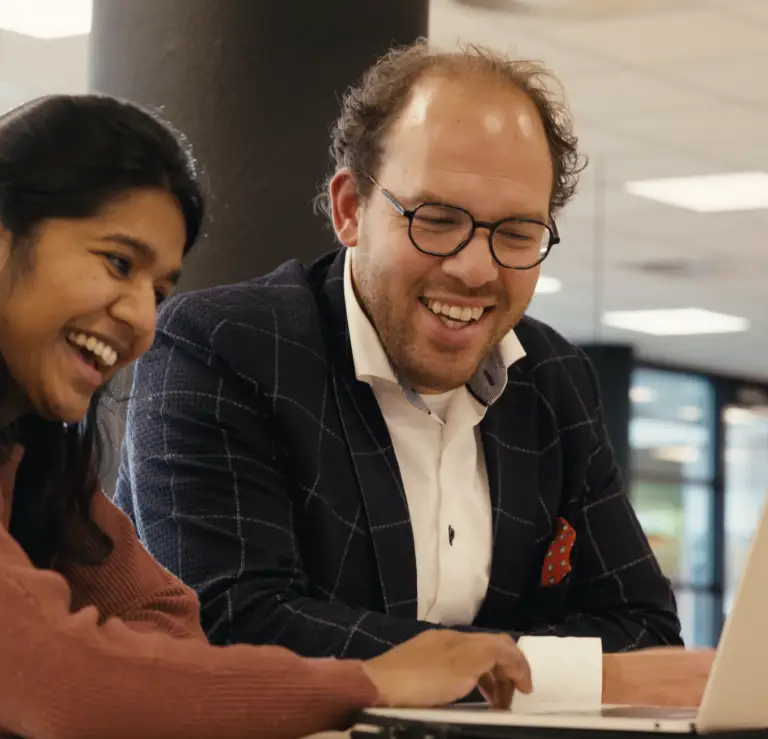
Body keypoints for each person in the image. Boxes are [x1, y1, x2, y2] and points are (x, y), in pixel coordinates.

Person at [0, 94, 537, 739]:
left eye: (158, 289)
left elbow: (164, 632)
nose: (141, 318)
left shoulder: (20, 445)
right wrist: (370, 679)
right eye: (117, 263)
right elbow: (58, 681)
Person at [114, 42, 714, 709]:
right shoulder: (224, 347)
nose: (476, 268)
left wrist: (491, 668)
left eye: (517, 233)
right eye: (437, 220)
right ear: (349, 209)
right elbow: (236, 624)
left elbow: (642, 626)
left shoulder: (553, 378)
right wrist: (575, 675)